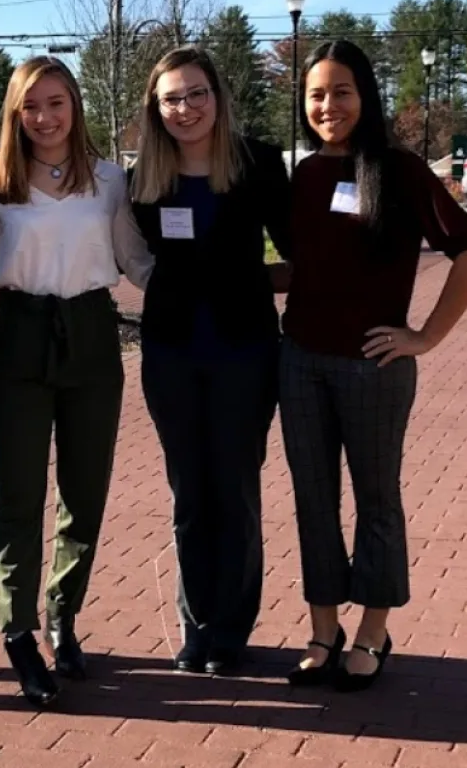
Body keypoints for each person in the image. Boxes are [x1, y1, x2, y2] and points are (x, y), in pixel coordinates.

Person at [280, 39, 467, 693]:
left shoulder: (398, 170)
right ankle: (323, 629)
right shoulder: (306, 174)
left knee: (376, 501)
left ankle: (372, 629)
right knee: (313, 501)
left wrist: (425, 336)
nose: (328, 105)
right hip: (301, 363)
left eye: (341, 91)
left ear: (364, 96)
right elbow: (307, 271)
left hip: (374, 367)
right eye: (316, 93)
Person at [0, 55, 151, 708]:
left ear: (74, 106)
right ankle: (18, 629)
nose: (44, 117)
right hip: (21, 335)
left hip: (92, 339)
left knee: (85, 489)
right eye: (30, 106)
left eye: (55, 102)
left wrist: (197, 293)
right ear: (15, 116)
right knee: (19, 494)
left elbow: (135, 259)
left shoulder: (109, 181)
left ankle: (62, 614)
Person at [125, 46, 291, 677]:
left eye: (196, 93)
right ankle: (196, 626)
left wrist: (259, 279)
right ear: (156, 107)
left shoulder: (259, 164)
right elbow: (134, 256)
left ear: (217, 97)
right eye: (171, 98)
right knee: (189, 496)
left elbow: (301, 248)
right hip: (170, 355)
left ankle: (231, 630)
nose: (185, 108)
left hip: (244, 354)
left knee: (236, 493)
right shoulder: (146, 177)